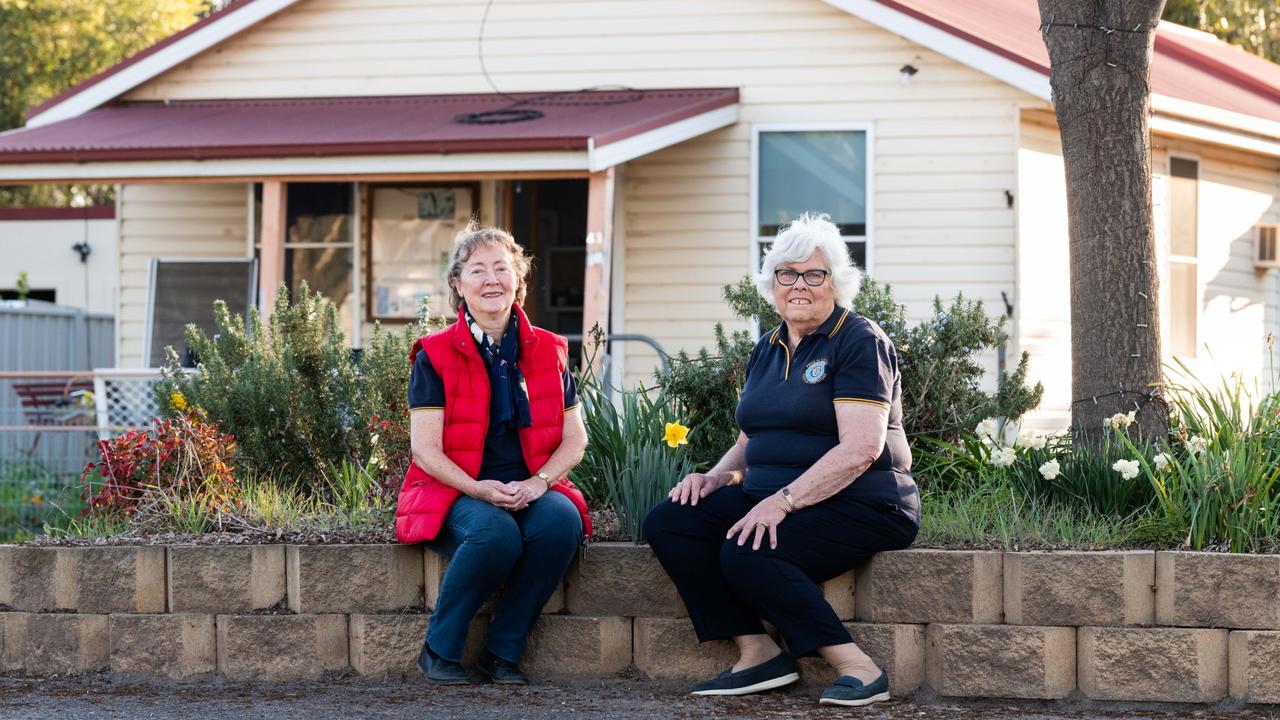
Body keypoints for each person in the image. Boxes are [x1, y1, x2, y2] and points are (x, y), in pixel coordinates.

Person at [643, 213, 919, 708]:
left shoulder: (859, 340)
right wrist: (716, 476)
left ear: (836, 282)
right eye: (786, 274)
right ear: (771, 285)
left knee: (747, 549)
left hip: (863, 502)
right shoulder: (767, 348)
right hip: (776, 494)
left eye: (814, 274)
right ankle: (759, 652)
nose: (799, 286)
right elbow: (754, 437)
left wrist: (783, 502)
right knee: (672, 522)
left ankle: (859, 667)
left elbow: (861, 449)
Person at [395, 222, 590, 686]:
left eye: (502, 269)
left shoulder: (550, 351)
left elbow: (575, 438)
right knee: (497, 534)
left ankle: (501, 654)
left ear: (518, 281)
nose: (491, 280)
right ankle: (439, 649)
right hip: (454, 489)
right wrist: (477, 488)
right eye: (477, 270)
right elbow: (424, 449)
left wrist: (538, 483)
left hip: (527, 486)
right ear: (458, 284)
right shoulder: (434, 354)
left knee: (561, 522)